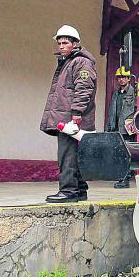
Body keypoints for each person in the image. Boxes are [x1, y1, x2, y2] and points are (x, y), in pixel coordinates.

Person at [40, 25, 97, 203]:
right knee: (75, 154)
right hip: (68, 117)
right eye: (59, 43)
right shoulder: (69, 62)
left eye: (65, 42)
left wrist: (76, 112)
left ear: (75, 44)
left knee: (67, 155)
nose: (61, 46)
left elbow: (84, 88)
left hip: (71, 119)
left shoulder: (81, 62)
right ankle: (79, 190)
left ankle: (68, 191)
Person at [107, 66, 137, 188]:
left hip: (128, 129)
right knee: (118, 154)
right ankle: (121, 176)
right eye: (119, 77)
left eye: (123, 77)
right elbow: (112, 112)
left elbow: (137, 110)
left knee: (127, 154)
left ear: (129, 79)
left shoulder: (134, 93)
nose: (121, 80)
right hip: (116, 129)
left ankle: (126, 178)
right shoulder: (116, 93)